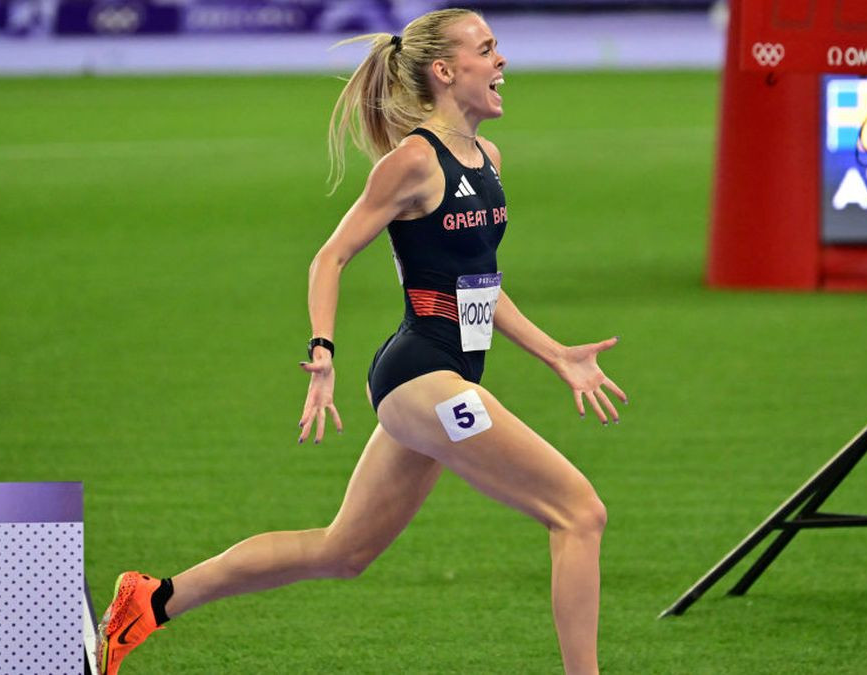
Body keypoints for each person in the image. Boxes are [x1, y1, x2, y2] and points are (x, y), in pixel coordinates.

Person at [95, 9, 627, 675]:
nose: (502, 62)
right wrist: (323, 354)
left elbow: (477, 285)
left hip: (447, 377)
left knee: (343, 551)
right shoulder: (411, 162)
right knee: (579, 511)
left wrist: (555, 352)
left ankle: (151, 599)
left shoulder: (488, 158)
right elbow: (330, 257)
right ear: (444, 70)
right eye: (486, 49)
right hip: (420, 376)